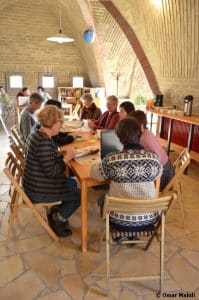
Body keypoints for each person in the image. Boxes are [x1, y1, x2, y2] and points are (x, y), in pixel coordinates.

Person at [91, 117, 162, 239]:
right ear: (140, 133)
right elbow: (159, 173)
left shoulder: (112, 159)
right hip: (149, 220)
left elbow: (95, 175)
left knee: (102, 198)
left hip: (119, 221)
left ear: (118, 137)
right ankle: (133, 235)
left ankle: (119, 233)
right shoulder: (153, 158)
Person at [22, 105, 80, 237]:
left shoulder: (38, 134)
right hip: (37, 190)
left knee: (71, 183)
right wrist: (65, 159)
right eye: (61, 122)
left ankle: (57, 211)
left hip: (34, 183)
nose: (62, 124)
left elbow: (47, 158)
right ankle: (58, 220)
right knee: (78, 195)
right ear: (53, 122)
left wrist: (61, 155)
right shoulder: (43, 141)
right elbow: (52, 172)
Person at [131, 110, 174, 190]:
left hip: (163, 175)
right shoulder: (146, 133)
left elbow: (156, 165)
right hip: (167, 168)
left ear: (140, 125)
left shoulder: (143, 138)